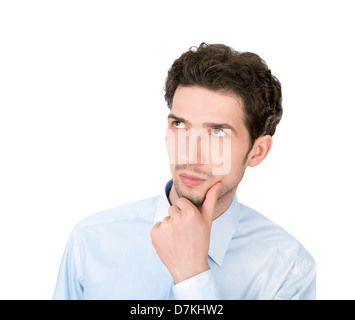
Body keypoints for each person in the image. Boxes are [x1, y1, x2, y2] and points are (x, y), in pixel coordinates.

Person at [53, 43, 316, 300]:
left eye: (217, 133)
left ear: (257, 152)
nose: (190, 154)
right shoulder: (89, 242)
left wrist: (193, 277)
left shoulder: (288, 270)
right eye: (180, 125)